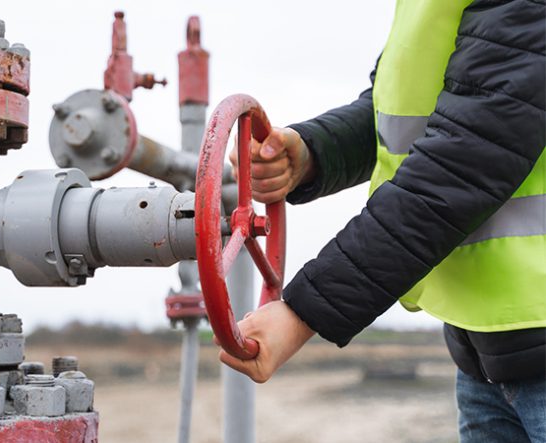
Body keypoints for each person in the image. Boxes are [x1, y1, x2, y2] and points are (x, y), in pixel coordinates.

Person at [224, 1, 546, 441]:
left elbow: (465, 159)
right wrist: (314, 151)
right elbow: (412, 110)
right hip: (483, 350)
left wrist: (304, 312)